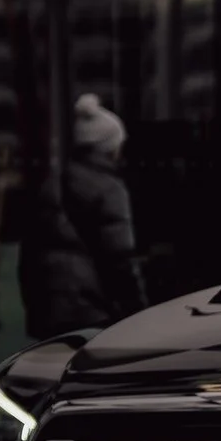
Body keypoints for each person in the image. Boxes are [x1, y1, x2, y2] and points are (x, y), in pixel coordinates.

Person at [20, 93, 150, 339]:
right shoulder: (109, 188)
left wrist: (34, 305)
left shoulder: (52, 182)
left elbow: (29, 256)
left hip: (48, 310)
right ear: (109, 147)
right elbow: (121, 260)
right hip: (90, 311)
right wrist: (139, 314)